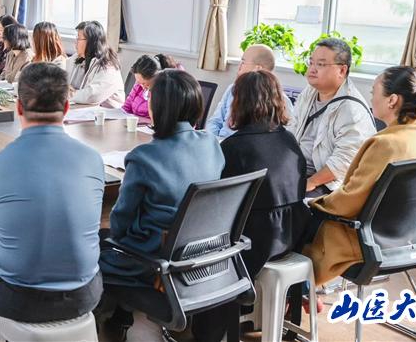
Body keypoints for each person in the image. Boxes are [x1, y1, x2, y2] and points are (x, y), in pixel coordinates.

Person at [0, 63, 105, 342]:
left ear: (18, 107)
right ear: (66, 108)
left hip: (19, 299)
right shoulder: (93, 159)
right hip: (85, 295)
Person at [100, 70, 224, 339]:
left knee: (96, 248)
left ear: (156, 108)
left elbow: (120, 223)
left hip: (155, 260)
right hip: (204, 254)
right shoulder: (212, 144)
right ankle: (125, 317)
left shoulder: (144, 157)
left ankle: (110, 324)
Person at [192, 70, 311, 342]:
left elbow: (218, 205)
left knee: (199, 241)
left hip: (253, 242)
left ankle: (206, 331)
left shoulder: (234, 147)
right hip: (291, 235)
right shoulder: (289, 141)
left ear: (239, 102)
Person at [304, 66, 416, 287]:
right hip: (408, 238)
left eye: (374, 92)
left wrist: (314, 203)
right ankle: (306, 295)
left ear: (392, 100)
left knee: (294, 220)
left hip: (363, 241)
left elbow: (349, 202)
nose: (371, 98)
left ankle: (298, 292)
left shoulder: (385, 144)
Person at [287, 38, 376, 196]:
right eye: (311, 62)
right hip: (297, 171)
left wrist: (311, 182)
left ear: (342, 70)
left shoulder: (351, 109)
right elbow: (292, 128)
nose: (312, 69)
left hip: (327, 183)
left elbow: (344, 161)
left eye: (320, 64)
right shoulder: (310, 92)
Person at [207, 43, 294, 138]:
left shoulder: (281, 101)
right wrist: (213, 141)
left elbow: (281, 136)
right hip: (220, 142)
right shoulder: (232, 89)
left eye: (243, 62)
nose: (239, 67)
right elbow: (215, 121)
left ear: (258, 69)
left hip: (245, 145)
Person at [68, 21, 125, 107]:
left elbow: (92, 96)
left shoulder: (108, 65)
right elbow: (62, 79)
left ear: (91, 42)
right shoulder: (79, 58)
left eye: (79, 38)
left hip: (107, 113)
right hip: (85, 109)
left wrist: (68, 94)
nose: (75, 42)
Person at [122, 53, 181, 118]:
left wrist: (140, 120)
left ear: (155, 78)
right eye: (139, 82)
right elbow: (126, 108)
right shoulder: (139, 84)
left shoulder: (165, 92)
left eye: (145, 83)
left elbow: (161, 120)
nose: (142, 87)